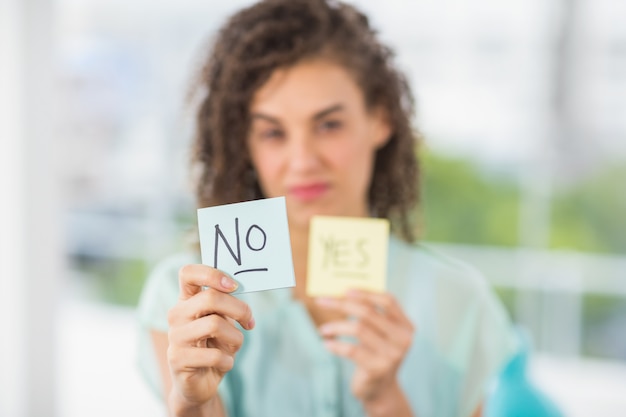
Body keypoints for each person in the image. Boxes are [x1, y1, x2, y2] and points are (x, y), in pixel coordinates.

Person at [137, 0, 518, 416]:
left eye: (328, 125)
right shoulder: (187, 299)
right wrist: (194, 402)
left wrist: (385, 399)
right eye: (272, 133)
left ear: (381, 119)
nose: (302, 161)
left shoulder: (459, 301)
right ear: (243, 143)